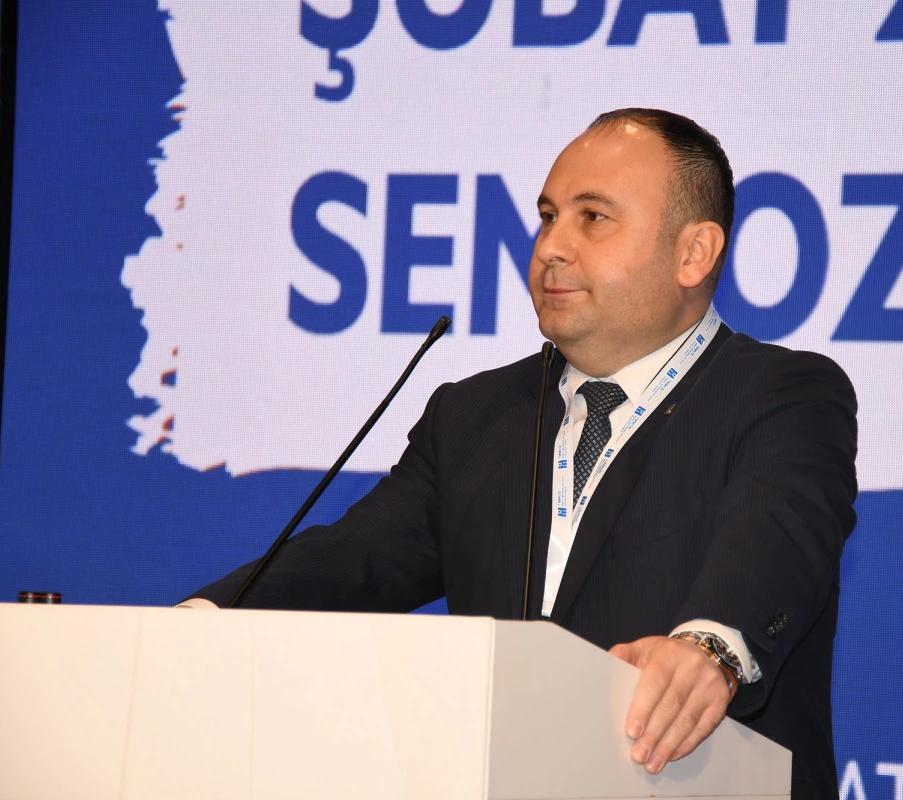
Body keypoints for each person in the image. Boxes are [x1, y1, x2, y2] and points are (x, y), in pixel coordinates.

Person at [185, 108, 858, 800]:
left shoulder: (783, 397)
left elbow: (778, 539)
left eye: (593, 218)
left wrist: (708, 648)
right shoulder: (475, 416)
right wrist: (198, 626)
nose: (550, 247)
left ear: (694, 253)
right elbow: (351, 559)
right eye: (547, 216)